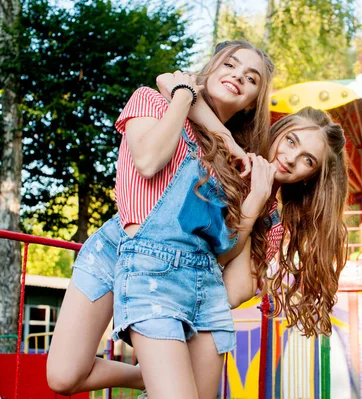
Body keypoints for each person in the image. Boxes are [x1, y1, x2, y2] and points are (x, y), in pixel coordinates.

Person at [47, 40, 275, 397]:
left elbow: (224, 248)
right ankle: (150, 375)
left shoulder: (233, 168)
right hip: (115, 247)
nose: (237, 77)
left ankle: (161, 375)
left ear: (251, 103)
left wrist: (255, 196)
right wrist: (184, 96)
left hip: (175, 267)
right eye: (230, 65)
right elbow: (149, 160)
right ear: (211, 68)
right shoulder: (154, 101)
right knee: (63, 376)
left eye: (251, 79)